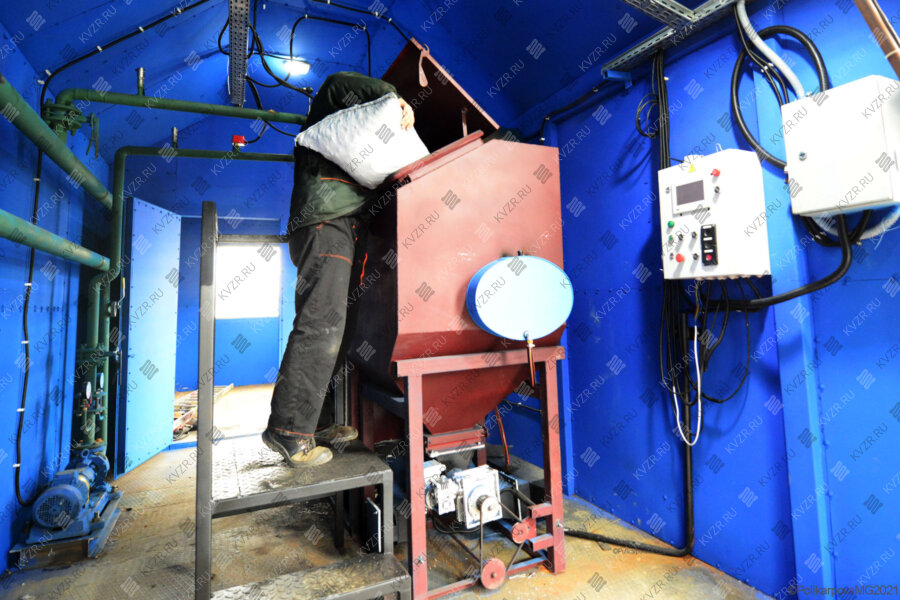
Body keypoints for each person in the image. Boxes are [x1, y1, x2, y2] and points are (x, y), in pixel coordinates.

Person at [262, 71, 415, 467]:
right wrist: (394, 96)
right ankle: (288, 430)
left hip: (341, 229)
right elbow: (335, 81)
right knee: (321, 324)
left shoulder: (352, 159)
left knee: (339, 329)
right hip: (325, 225)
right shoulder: (327, 121)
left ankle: (317, 421)